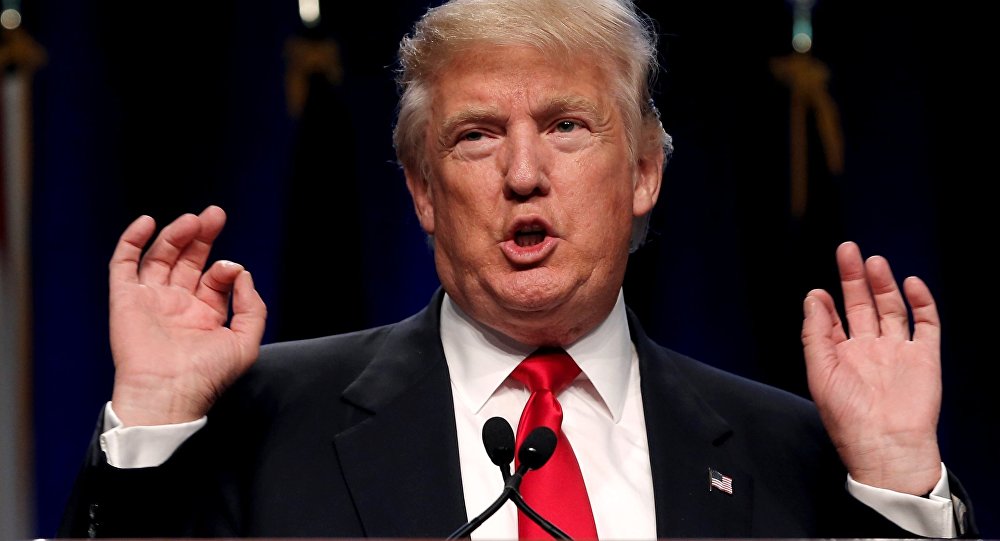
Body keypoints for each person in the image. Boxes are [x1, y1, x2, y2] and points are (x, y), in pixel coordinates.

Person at [59, 0, 977, 538]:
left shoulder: (796, 454)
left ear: (646, 173)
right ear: (421, 191)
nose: (524, 173)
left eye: (568, 126)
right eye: (476, 136)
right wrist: (149, 426)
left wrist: (897, 472)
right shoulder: (258, 427)